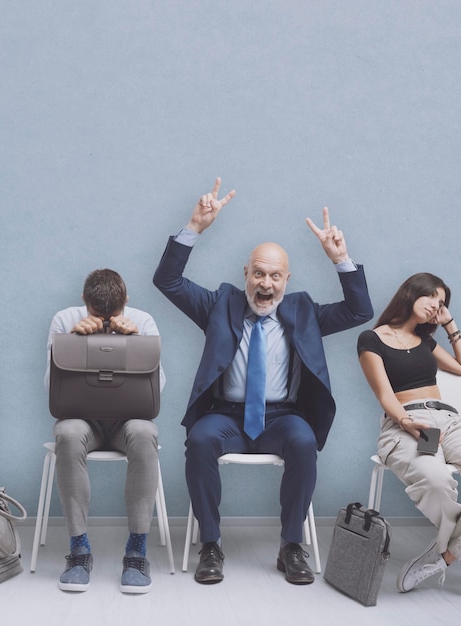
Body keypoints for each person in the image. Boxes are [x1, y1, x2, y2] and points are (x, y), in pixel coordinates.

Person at [153, 178, 373, 585]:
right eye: (258, 274)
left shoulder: (304, 310)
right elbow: (167, 281)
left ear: (286, 280)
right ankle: (211, 545)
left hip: (281, 418)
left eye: (274, 276)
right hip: (226, 417)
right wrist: (194, 228)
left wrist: (340, 259)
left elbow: (360, 311)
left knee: (304, 441)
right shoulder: (221, 303)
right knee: (199, 441)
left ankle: (291, 545)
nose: (265, 284)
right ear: (246, 274)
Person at [357, 272, 461, 592]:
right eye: (431, 297)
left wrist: (449, 324)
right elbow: (385, 395)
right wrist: (405, 422)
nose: (435, 305)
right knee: (435, 479)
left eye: (441, 302)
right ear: (411, 293)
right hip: (406, 424)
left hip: (449, 422)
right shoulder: (371, 339)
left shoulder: (426, 342)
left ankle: (449, 552)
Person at [43, 268, 165, 594]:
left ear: (126, 302)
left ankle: (137, 550)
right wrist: (72, 341)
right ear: (84, 303)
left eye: (115, 314)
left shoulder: (144, 321)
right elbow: (50, 388)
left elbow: (158, 389)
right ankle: (79, 549)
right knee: (66, 434)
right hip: (84, 421)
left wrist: (134, 341)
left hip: (129, 421)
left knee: (145, 432)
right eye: (99, 315)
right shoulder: (64, 320)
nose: (109, 320)